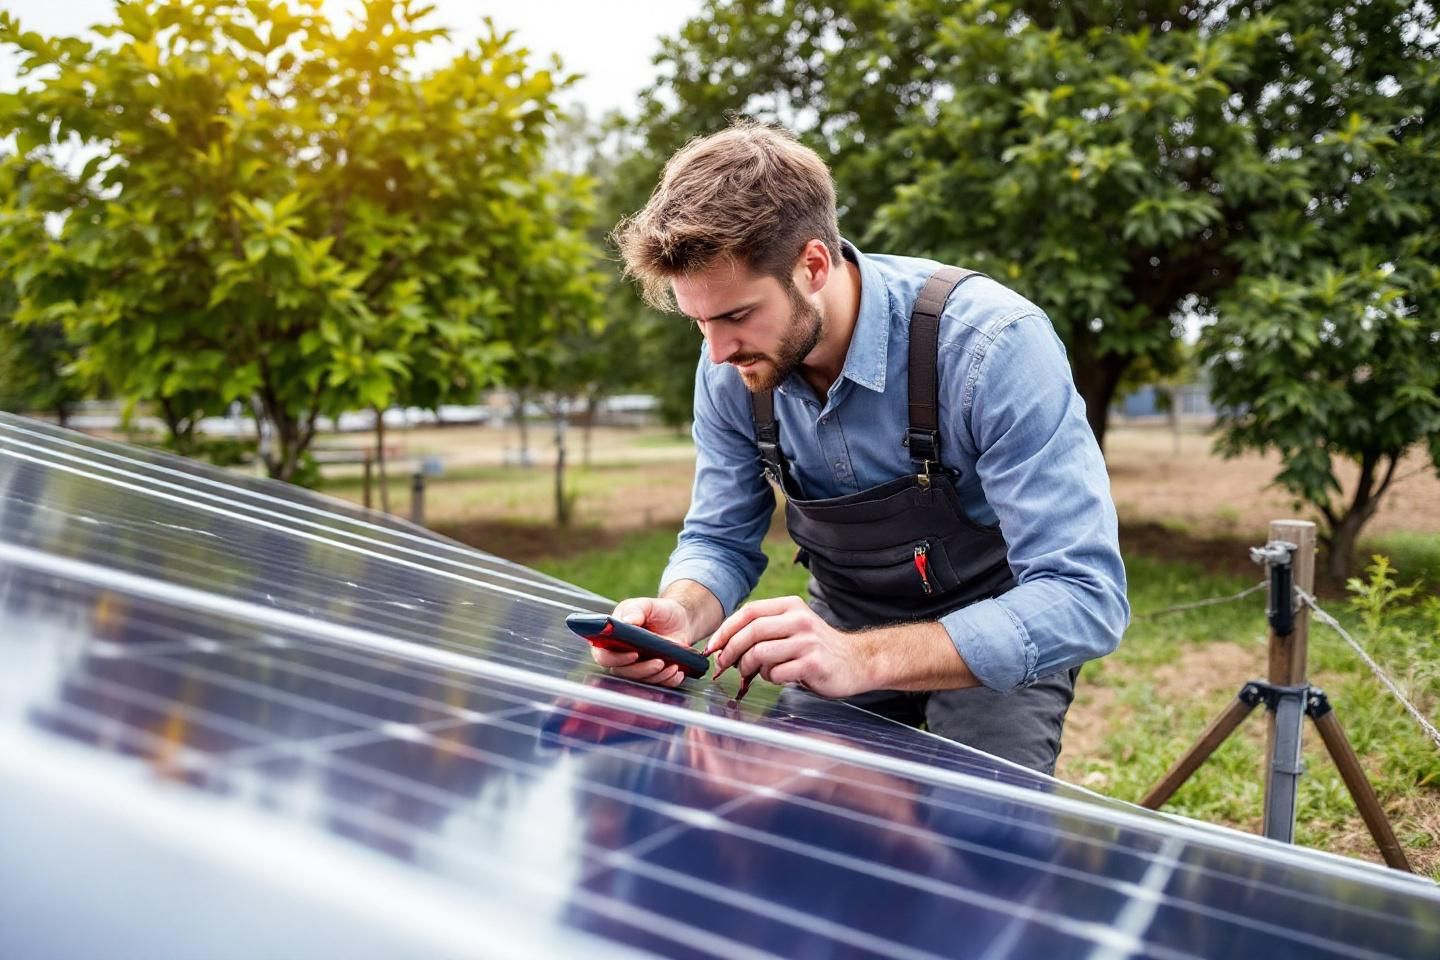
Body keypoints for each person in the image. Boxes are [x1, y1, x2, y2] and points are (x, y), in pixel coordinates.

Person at [595, 120, 1128, 774]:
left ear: (813, 265)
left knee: (983, 837)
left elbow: (1083, 596)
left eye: (735, 316)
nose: (716, 352)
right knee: (805, 823)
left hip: (1001, 617)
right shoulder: (730, 369)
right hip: (841, 623)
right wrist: (678, 613)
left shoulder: (993, 347)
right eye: (698, 321)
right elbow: (720, 537)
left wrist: (864, 659)